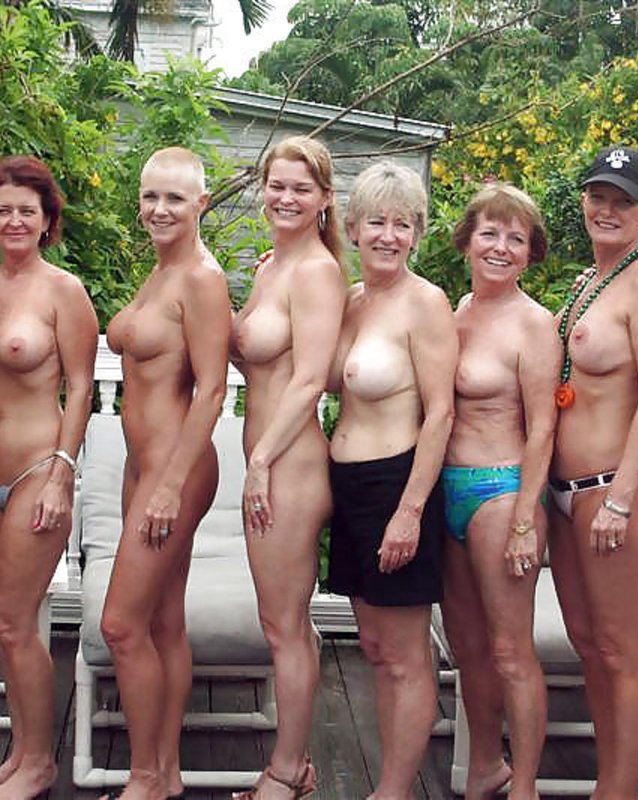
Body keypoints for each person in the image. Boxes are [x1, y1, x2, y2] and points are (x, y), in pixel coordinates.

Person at [0, 156, 98, 799]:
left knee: (14, 623)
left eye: (26, 210)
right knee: (5, 623)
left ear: (46, 220)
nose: (14, 220)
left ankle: (39, 763)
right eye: (3, 210)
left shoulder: (63, 290)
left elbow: (81, 386)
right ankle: (20, 752)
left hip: (36, 472)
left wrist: (63, 474)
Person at [547, 146, 638, 799]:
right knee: (589, 643)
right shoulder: (589, 283)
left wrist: (622, 500)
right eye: (598, 196)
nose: (607, 210)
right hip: (565, 495)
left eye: (622, 201)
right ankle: (610, 778)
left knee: (625, 648)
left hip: (615, 492)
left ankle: (620, 791)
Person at [99, 147, 232, 800]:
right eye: (150, 196)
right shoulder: (159, 271)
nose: (159, 209)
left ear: (201, 203)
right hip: (144, 466)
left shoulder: (201, 279)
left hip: (176, 469)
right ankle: (168, 771)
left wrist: (171, 486)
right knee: (161, 624)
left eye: (175, 198)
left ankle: (146, 777)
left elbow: (213, 389)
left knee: (120, 625)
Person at [327, 161, 457, 800]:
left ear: (416, 234)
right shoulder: (351, 301)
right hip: (348, 487)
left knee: (405, 656)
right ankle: (390, 782)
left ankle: (396, 790)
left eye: (402, 224)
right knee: (375, 649)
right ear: (353, 228)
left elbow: (441, 413)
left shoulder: (425, 303)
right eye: (376, 221)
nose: (388, 235)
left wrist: (410, 510)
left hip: (396, 484)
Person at [230, 136, 346, 799]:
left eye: (302, 188)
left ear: (325, 198)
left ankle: (287, 772)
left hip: (290, 464)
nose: (286, 197)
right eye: (277, 184)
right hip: (271, 459)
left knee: (284, 627)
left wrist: (260, 461)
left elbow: (309, 382)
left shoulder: (316, 273)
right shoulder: (273, 266)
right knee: (285, 623)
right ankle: (291, 765)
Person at [439, 184, 560, 800]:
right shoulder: (456, 311)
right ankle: (486, 765)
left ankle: (526, 786)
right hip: (448, 491)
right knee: (468, 649)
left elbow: (543, 429)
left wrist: (523, 522)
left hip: (501, 491)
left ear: (530, 253)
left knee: (511, 651)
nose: (501, 247)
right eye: (490, 232)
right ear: (467, 239)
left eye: (516, 238)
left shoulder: (534, 324)